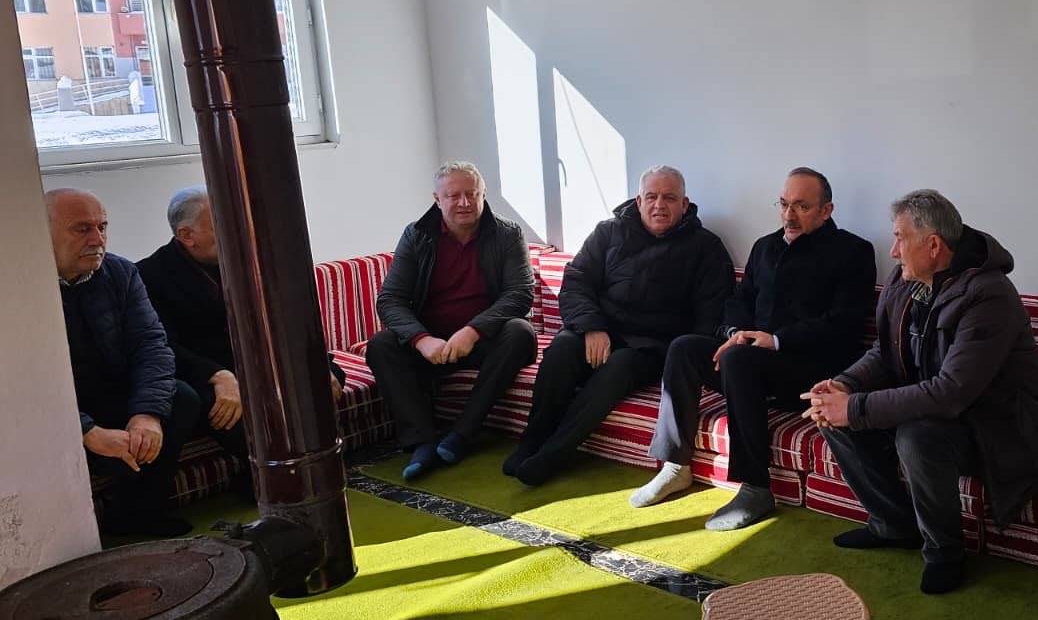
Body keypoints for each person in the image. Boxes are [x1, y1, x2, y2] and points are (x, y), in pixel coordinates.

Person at [803, 189, 1038, 595]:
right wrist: (843, 385)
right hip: (944, 413)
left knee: (915, 435)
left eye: (899, 239)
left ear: (934, 245)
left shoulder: (989, 295)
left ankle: (944, 553)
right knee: (830, 416)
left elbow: (951, 392)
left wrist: (854, 407)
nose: (893, 252)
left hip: (999, 427)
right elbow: (884, 352)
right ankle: (893, 525)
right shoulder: (906, 279)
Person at [630, 168, 877, 530]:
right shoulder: (765, 247)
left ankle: (755, 487)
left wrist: (775, 340)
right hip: (750, 366)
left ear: (826, 211)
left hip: (811, 373)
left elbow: (844, 324)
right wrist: (736, 332)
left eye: (802, 206)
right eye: (784, 204)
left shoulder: (853, 252)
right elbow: (738, 301)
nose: (789, 215)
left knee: (740, 359)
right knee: (684, 348)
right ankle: (675, 465)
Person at [505, 165, 735, 486]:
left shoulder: (706, 248)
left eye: (669, 198)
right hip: (601, 330)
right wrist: (591, 326)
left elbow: (710, 315)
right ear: (638, 201)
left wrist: (682, 360)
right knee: (562, 347)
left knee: (619, 366)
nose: (659, 205)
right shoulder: (608, 232)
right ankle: (532, 441)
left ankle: (554, 455)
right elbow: (576, 282)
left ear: (684, 205)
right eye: (651, 197)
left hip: (653, 349)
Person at [137, 186, 345, 493]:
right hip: (204, 373)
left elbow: (286, 322)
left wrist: (317, 363)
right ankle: (273, 478)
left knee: (325, 377)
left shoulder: (250, 259)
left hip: (258, 364)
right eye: (220, 224)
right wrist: (217, 375)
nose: (234, 232)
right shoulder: (149, 276)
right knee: (220, 403)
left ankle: (312, 464)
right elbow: (163, 347)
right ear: (186, 235)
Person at [366, 162, 537, 480]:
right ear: (437, 199)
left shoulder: (508, 234)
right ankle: (422, 441)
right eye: (453, 196)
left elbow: (520, 293)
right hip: (433, 342)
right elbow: (390, 299)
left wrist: (473, 331)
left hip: (486, 339)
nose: (464, 202)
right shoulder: (416, 235)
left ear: (483, 194)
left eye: (472, 194)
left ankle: (462, 434)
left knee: (521, 332)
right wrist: (421, 339)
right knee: (380, 345)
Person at [47, 188, 199, 537]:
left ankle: (139, 517)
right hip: (60, 410)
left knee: (182, 398)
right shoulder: (18, 287)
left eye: (102, 227)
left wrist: (147, 414)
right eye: (82, 229)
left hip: (112, 393)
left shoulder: (120, 273)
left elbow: (152, 345)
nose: (97, 239)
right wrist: (85, 430)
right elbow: (24, 385)